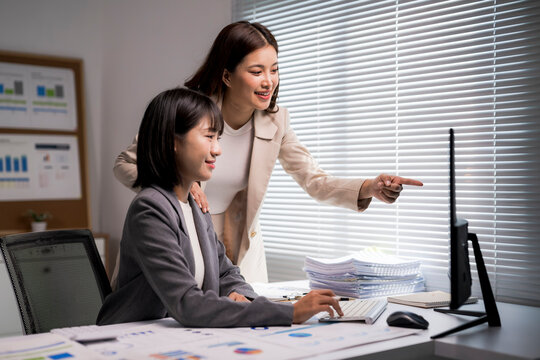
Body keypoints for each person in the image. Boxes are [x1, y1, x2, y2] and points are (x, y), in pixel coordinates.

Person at [113, 21, 423, 284]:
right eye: (256, 70)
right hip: (186, 239)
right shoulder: (189, 113)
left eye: (274, 70)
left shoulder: (276, 123)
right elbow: (124, 164)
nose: (268, 81)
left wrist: (370, 187)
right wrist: (176, 186)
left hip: (241, 254)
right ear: (226, 76)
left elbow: (315, 180)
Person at [97, 88, 343, 327]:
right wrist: (290, 312)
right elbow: (188, 303)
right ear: (173, 141)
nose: (218, 149)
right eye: (208, 136)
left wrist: (240, 294)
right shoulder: (151, 209)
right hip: (129, 339)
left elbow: (226, 273)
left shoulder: (195, 205)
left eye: (218, 138)